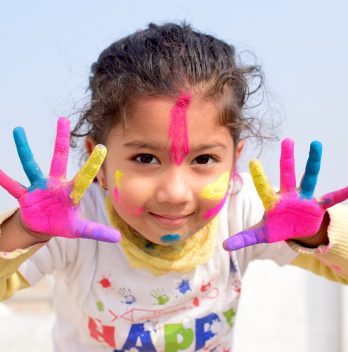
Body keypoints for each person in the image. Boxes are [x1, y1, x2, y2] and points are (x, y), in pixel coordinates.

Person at [0, 22, 347, 352]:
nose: (175, 193)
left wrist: (316, 233)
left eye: (204, 160)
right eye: (146, 159)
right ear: (99, 164)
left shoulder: (246, 211)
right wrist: (23, 231)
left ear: (234, 163)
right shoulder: (71, 223)